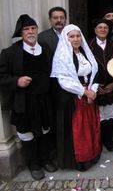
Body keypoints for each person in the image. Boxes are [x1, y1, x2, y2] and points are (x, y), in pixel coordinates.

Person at [0, 14, 57, 180]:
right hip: (24, 101)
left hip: (45, 99)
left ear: (37, 30)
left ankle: (45, 159)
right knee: (27, 133)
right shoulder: (10, 53)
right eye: (26, 29)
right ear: (21, 32)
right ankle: (33, 164)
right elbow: (1, 76)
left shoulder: (46, 48)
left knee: (45, 130)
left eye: (33, 28)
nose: (31, 32)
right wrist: (17, 80)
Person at [51, 24, 101, 171]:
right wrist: (84, 92)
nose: (76, 39)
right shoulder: (62, 57)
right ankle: (79, 161)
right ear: (65, 38)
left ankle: (91, 155)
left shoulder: (86, 53)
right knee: (77, 131)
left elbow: (96, 72)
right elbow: (64, 81)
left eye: (78, 36)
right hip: (73, 99)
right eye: (71, 36)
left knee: (89, 129)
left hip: (89, 97)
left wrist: (93, 90)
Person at [89, 19, 113, 152]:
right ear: (95, 30)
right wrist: (96, 86)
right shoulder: (87, 46)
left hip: (112, 86)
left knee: (110, 115)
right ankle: (98, 140)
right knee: (98, 116)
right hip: (96, 87)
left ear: (109, 30)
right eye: (99, 27)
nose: (102, 29)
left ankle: (108, 139)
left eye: (105, 28)